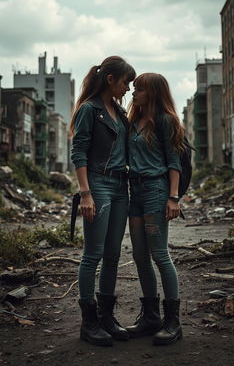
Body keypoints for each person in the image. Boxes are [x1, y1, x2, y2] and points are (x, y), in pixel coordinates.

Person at [70, 56, 136, 346]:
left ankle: (106, 317)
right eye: (125, 82)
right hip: (98, 183)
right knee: (92, 254)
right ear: (110, 79)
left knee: (112, 255)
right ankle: (89, 322)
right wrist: (85, 193)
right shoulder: (89, 110)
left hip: (121, 185)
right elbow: (79, 151)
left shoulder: (120, 113)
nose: (128, 89)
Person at [126, 73, 184, 346]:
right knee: (139, 255)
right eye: (133, 88)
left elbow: (175, 163)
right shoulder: (132, 121)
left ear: (154, 93)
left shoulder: (166, 120)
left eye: (139, 89)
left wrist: (173, 198)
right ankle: (150, 316)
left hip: (156, 191)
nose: (133, 93)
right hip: (134, 192)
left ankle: (173, 321)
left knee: (160, 254)